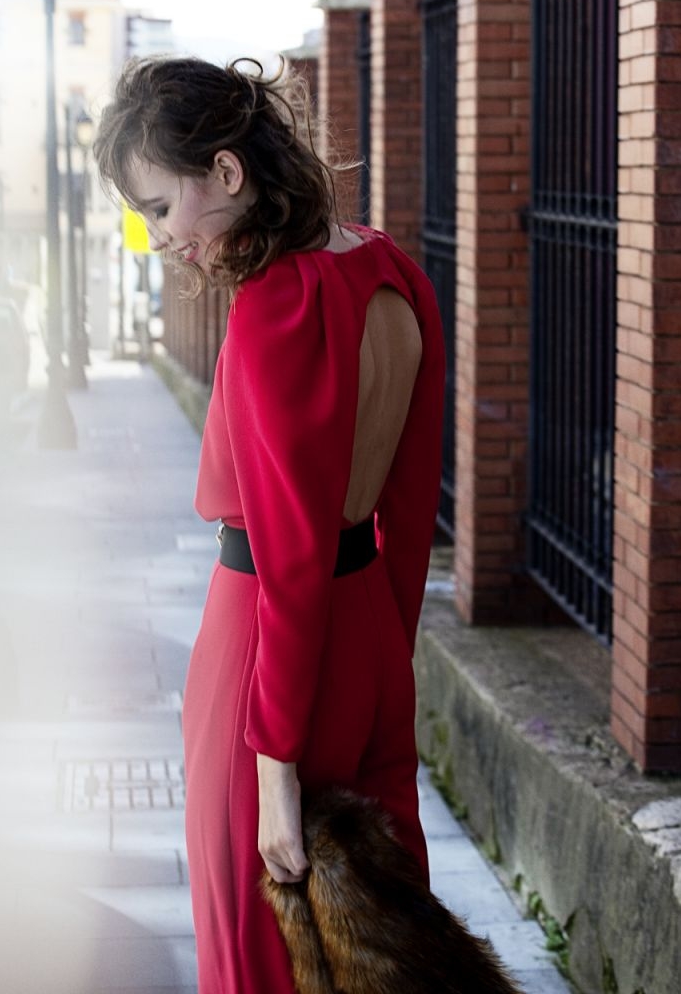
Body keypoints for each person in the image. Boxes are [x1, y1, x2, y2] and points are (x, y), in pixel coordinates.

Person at [94, 56, 445, 993]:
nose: (160, 238)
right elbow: (413, 504)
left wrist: (273, 767)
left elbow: (288, 561)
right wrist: (388, 658)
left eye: (161, 207)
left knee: (257, 955)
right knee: (387, 953)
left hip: (267, 657)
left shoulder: (274, 310)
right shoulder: (394, 271)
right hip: (370, 634)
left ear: (226, 172)